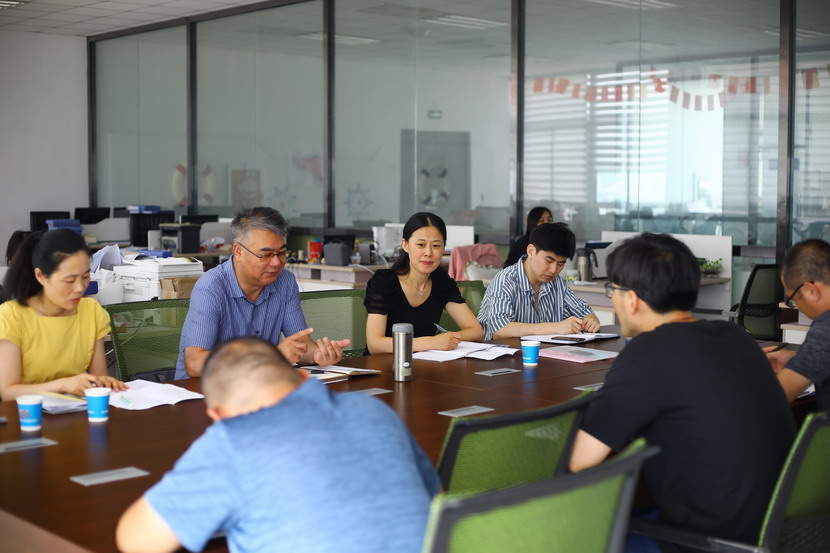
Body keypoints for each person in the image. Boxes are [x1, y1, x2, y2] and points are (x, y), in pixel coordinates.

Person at [569, 233, 796, 552]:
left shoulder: (648, 354)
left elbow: (580, 460)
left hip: (707, 542)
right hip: (776, 531)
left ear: (631, 299)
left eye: (612, 290)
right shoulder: (736, 336)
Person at [117, 337, 440, 553]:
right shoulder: (372, 409)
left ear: (217, 416)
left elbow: (137, 541)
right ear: (305, 378)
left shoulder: (233, 441)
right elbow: (435, 495)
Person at [176, 207, 349, 378]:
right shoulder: (211, 288)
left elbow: (301, 346)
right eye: (266, 255)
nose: (276, 263)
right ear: (238, 251)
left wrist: (318, 354)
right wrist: (270, 356)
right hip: (205, 389)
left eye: (281, 253)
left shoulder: (285, 282)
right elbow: (195, 363)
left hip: (258, 385)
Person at [0, 229, 126, 400]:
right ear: (40, 276)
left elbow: (98, 379)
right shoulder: (11, 316)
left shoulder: (91, 311)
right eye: (69, 280)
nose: (80, 288)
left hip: (77, 410)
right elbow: (8, 392)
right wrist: (62, 385)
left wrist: (104, 383)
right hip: (27, 413)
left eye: (85, 276)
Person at [364, 212, 483, 354]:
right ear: (405, 245)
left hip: (425, 362)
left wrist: (449, 339)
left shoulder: (441, 282)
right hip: (385, 363)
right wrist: (432, 342)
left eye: (436, 245)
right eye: (421, 245)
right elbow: (375, 344)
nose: (429, 252)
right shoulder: (384, 282)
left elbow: (476, 331)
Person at [477, 222, 600, 340]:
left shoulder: (557, 283)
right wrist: (556, 327)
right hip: (504, 352)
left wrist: (591, 319)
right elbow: (500, 330)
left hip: (545, 352)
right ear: (531, 251)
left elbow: (585, 313)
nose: (553, 270)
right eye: (549, 261)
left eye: (560, 264)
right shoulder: (506, 280)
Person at [764, 238, 830, 410]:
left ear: (811, 290)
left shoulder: (826, 327)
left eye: (792, 299)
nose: (796, 306)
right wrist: (798, 360)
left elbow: (775, 397)